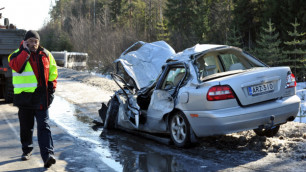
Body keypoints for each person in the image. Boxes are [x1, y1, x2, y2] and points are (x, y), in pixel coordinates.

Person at [8, 30, 58, 168]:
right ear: (25, 42)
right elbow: (17, 67)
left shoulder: (46, 54)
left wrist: (51, 89)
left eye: (36, 41)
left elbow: (53, 72)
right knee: (26, 127)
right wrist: (25, 52)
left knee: (44, 126)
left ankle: (48, 155)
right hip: (24, 98)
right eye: (30, 41)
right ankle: (27, 150)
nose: (34, 44)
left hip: (41, 97)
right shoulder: (15, 55)